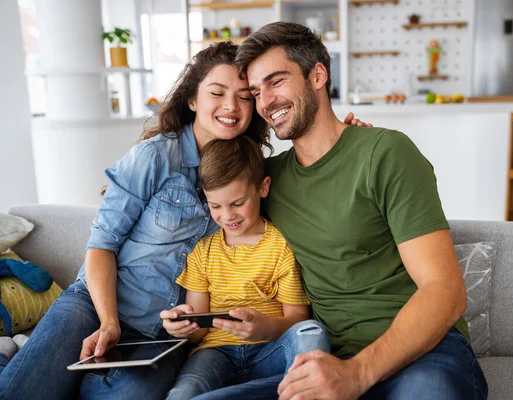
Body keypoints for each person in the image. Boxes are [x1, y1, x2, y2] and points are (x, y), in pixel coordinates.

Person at [0, 40, 363, 400]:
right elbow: (100, 247)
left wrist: (346, 139)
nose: (230, 107)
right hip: (95, 306)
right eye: (217, 93)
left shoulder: (251, 171)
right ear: (193, 100)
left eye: (243, 96)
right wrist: (108, 322)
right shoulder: (155, 156)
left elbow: (310, 177)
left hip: (162, 333)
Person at [190, 22, 488, 400]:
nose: (265, 101)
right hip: (330, 360)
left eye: (276, 81)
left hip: (424, 355)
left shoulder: (386, 153)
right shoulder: (268, 181)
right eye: (256, 91)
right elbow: (216, 182)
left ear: (317, 75)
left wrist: (358, 373)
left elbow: (445, 291)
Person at [161, 136, 329, 400]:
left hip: (269, 349)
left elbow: (298, 318)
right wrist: (184, 325)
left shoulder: (280, 246)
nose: (227, 216)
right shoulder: (202, 253)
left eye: (238, 203)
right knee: (183, 393)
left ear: (263, 188)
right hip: (216, 353)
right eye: (215, 206)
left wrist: (265, 329)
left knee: (310, 332)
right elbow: (200, 331)